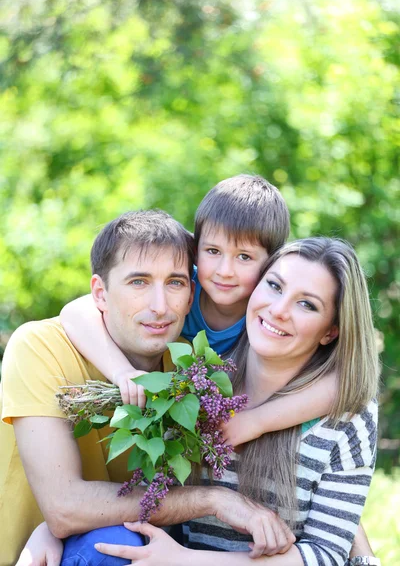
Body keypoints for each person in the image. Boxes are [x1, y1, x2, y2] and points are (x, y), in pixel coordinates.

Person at [87, 237, 380, 566]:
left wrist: (185, 561)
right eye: (274, 286)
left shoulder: (346, 417)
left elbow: (325, 554)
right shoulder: (199, 379)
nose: (279, 310)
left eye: (307, 305)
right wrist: (54, 528)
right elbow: (149, 495)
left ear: (330, 331)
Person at [59, 175, 338, 449]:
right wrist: (121, 372)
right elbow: (75, 312)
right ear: (195, 249)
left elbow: (342, 386)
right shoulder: (178, 287)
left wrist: (256, 421)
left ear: (271, 263)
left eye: (244, 257)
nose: (224, 271)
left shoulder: (267, 316)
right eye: (213, 251)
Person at [0, 209, 197, 566]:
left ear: (191, 295)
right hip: (25, 557)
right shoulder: (41, 346)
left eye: (175, 282)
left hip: (109, 540)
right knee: (113, 542)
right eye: (138, 282)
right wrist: (213, 500)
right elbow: (63, 508)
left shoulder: (190, 369)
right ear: (100, 294)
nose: (159, 306)